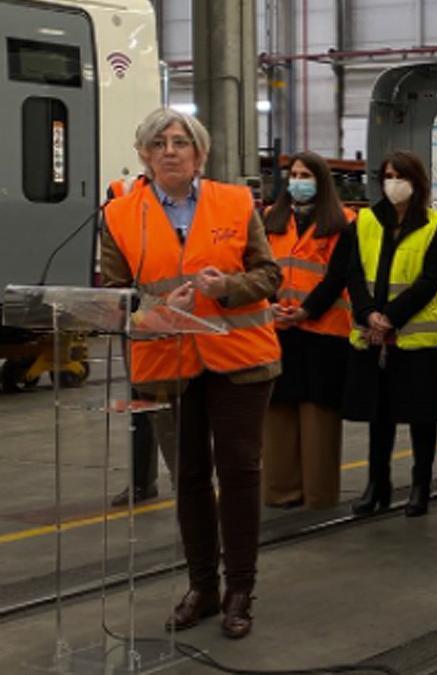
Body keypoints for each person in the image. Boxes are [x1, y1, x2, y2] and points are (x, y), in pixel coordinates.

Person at [100, 108, 281, 639]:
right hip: (167, 362)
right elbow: (113, 294)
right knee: (190, 480)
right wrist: (149, 308)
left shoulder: (235, 201)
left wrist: (227, 287)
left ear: (200, 155)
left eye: (181, 142)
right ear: (144, 156)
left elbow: (268, 274)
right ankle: (203, 587)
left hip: (240, 360)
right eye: (158, 143)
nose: (170, 150)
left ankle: (240, 589)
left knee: (240, 472)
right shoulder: (118, 215)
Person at [343, 151, 437, 518]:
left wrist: (390, 317)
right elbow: (354, 273)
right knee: (380, 415)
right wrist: (367, 314)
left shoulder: (436, 223)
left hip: (416, 336)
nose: (392, 183)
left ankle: (421, 486)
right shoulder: (365, 221)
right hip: (373, 334)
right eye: (387, 175)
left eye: (399, 176)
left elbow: (429, 281)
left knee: (422, 416)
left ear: (415, 181)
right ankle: (378, 485)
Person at [262, 153, 357, 510]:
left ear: (321, 181)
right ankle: (279, 490)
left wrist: (305, 311)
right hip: (278, 329)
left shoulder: (344, 222)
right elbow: (259, 266)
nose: (298, 180)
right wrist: (271, 306)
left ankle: (319, 494)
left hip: (323, 332)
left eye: (306, 175)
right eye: (294, 174)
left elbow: (337, 276)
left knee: (319, 416)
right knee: (278, 411)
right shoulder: (271, 219)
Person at [105, 175, 178, 506]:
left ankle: (186, 481)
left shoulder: (188, 197)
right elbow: (114, 272)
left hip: (178, 322)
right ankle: (140, 482)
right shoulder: (121, 193)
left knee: (170, 411)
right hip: (137, 319)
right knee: (140, 404)